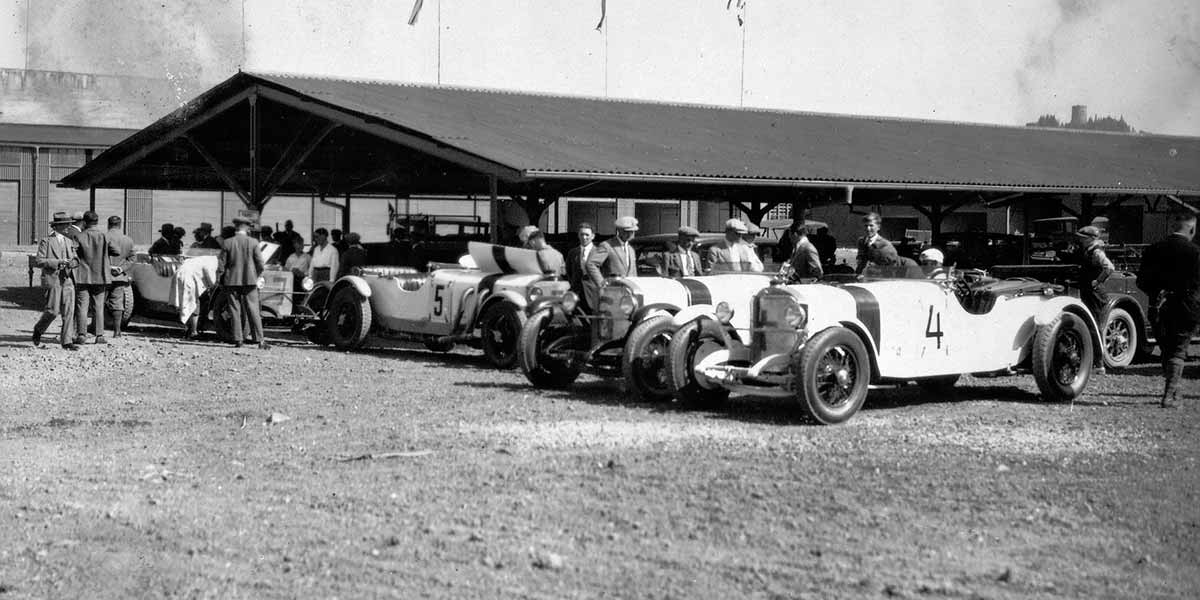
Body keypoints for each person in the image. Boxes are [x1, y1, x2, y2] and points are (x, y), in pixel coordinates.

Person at [1136, 213, 1200, 408]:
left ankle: (1175, 391)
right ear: (1191, 229)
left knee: (1166, 349)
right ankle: (1168, 397)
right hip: (1186, 307)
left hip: (1159, 306)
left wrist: (1159, 291)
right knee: (1178, 350)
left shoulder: (1153, 249)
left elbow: (1141, 282)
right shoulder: (1195, 252)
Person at [218, 216, 267, 349]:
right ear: (246, 228)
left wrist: (219, 279)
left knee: (234, 309)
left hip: (231, 281)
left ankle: (238, 340)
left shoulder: (227, 242)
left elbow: (221, 265)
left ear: (236, 227)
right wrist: (255, 275)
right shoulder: (253, 242)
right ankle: (260, 340)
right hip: (250, 281)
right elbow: (261, 264)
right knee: (253, 309)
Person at [32, 212, 79, 350]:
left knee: (69, 311)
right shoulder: (46, 241)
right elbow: (39, 261)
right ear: (57, 226)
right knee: (52, 311)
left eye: (69, 224)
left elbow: (76, 259)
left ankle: (67, 341)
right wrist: (58, 262)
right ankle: (39, 329)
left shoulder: (69, 241)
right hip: (53, 280)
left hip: (68, 280)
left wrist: (72, 263)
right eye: (66, 225)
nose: (68, 227)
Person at [72, 211, 114, 345]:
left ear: (84, 221)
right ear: (97, 221)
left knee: (82, 307)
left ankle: (81, 335)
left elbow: (73, 251)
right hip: (100, 276)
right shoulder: (104, 236)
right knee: (99, 307)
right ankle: (99, 335)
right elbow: (116, 250)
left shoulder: (79, 236)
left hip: (82, 276)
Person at [1070, 225, 1114, 318]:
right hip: (1088, 290)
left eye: (1083, 238)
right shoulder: (1086, 250)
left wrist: (1098, 281)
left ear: (1091, 239)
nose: (1081, 240)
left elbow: (1109, 268)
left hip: (1095, 292)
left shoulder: (1096, 251)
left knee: (1096, 317)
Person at [587, 216, 639, 288]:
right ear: (619, 230)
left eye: (632, 231)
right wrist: (601, 283)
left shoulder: (631, 249)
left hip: (629, 292)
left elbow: (633, 272)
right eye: (626, 231)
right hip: (612, 290)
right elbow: (591, 264)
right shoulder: (607, 245)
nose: (630, 234)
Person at [105, 216, 135, 338]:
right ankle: (117, 331)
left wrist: (109, 267)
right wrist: (121, 269)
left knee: (99, 301)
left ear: (108, 224)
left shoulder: (104, 237)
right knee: (118, 303)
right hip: (119, 276)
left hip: (104, 275)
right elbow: (132, 259)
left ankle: (97, 329)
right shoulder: (128, 240)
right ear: (120, 225)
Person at [566, 222, 597, 312]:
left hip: (593, 295)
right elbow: (569, 272)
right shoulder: (573, 253)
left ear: (593, 236)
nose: (584, 237)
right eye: (581, 234)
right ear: (578, 236)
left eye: (587, 235)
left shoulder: (599, 252)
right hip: (576, 295)